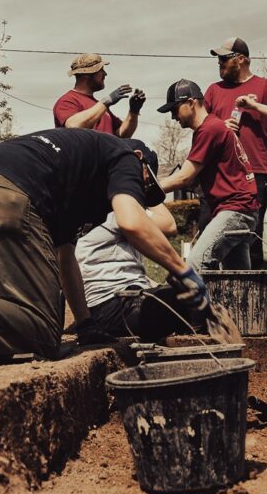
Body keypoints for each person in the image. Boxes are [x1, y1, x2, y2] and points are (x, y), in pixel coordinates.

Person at [0, 128, 210, 372]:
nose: (140, 191)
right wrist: (183, 271)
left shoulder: (71, 171)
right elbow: (132, 221)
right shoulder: (123, 154)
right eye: (145, 186)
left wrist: (86, 323)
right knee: (43, 330)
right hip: (4, 191)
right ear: (141, 163)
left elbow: (65, 255)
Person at [75, 140, 199, 342]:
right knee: (185, 300)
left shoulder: (94, 200)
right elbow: (169, 225)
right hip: (112, 306)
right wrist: (147, 193)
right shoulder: (117, 209)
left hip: (113, 303)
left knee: (176, 297)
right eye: (147, 179)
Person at [204, 37, 267, 267]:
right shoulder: (214, 90)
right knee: (211, 231)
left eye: (225, 59)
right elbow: (199, 124)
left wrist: (254, 106)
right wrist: (220, 126)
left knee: (251, 234)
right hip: (220, 173)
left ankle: (252, 297)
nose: (220, 64)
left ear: (241, 59)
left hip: (255, 171)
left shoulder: (265, 86)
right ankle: (213, 293)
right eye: (219, 60)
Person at [156, 79, 259, 271]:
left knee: (196, 264)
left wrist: (147, 188)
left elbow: (184, 177)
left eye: (175, 109)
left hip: (235, 210)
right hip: (243, 209)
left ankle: (193, 302)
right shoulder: (211, 128)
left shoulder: (209, 129)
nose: (173, 117)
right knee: (236, 278)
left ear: (191, 103)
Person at [53, 53, 144, 137]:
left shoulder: (99, 107)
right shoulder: (67, 100)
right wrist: (106, 102)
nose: (105, 74)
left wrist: (133, 112)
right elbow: (73, 126)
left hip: (107, 154)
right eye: (101, 70)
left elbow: (122, 134)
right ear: (87, 75)